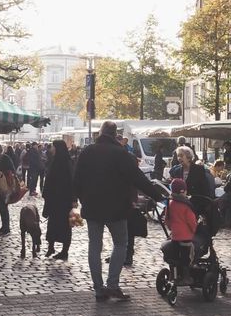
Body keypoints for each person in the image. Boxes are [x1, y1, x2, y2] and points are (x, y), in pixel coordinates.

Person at [74, 121, 160, 302]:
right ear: (115, 135)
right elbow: (138, 179)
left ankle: (98, 289)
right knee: (121, 243)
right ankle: (113, 284)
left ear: (100, 132)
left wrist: (77, 200)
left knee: (94, 247)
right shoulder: (122, 154)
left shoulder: (87, 152)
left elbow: (77, 179)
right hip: (117, 208)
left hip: (92, 207)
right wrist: (157, 195)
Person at [42, 139, 74, 260]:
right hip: (55, 200)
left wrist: (73, 199)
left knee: (65, 226)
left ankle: (64, 251)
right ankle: (51, 247)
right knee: (53, 224)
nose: (51, 149)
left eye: (53, 147)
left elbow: (71, 181)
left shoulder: (66, 162)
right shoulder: (54, 161)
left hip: (63, 200)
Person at [163, 178, 198, 283]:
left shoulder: (170, 204)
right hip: (186, 236)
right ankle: (186, 276)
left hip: (175, 236)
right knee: (185, 258)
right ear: (183, 191)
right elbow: (191, 221)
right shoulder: (186, 206)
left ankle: (173, 275)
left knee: (175, 257)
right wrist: (194, 230)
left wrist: (171, 229)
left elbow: (167, 220)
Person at [169, 146, 212, 216]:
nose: (179, 158)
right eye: (178, 156)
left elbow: (205, 187)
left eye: (181, 155)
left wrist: (206, 204)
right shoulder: (176, 170)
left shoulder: (199, 169)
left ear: (188, 157)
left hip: (196, 203)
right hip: (181, 204)